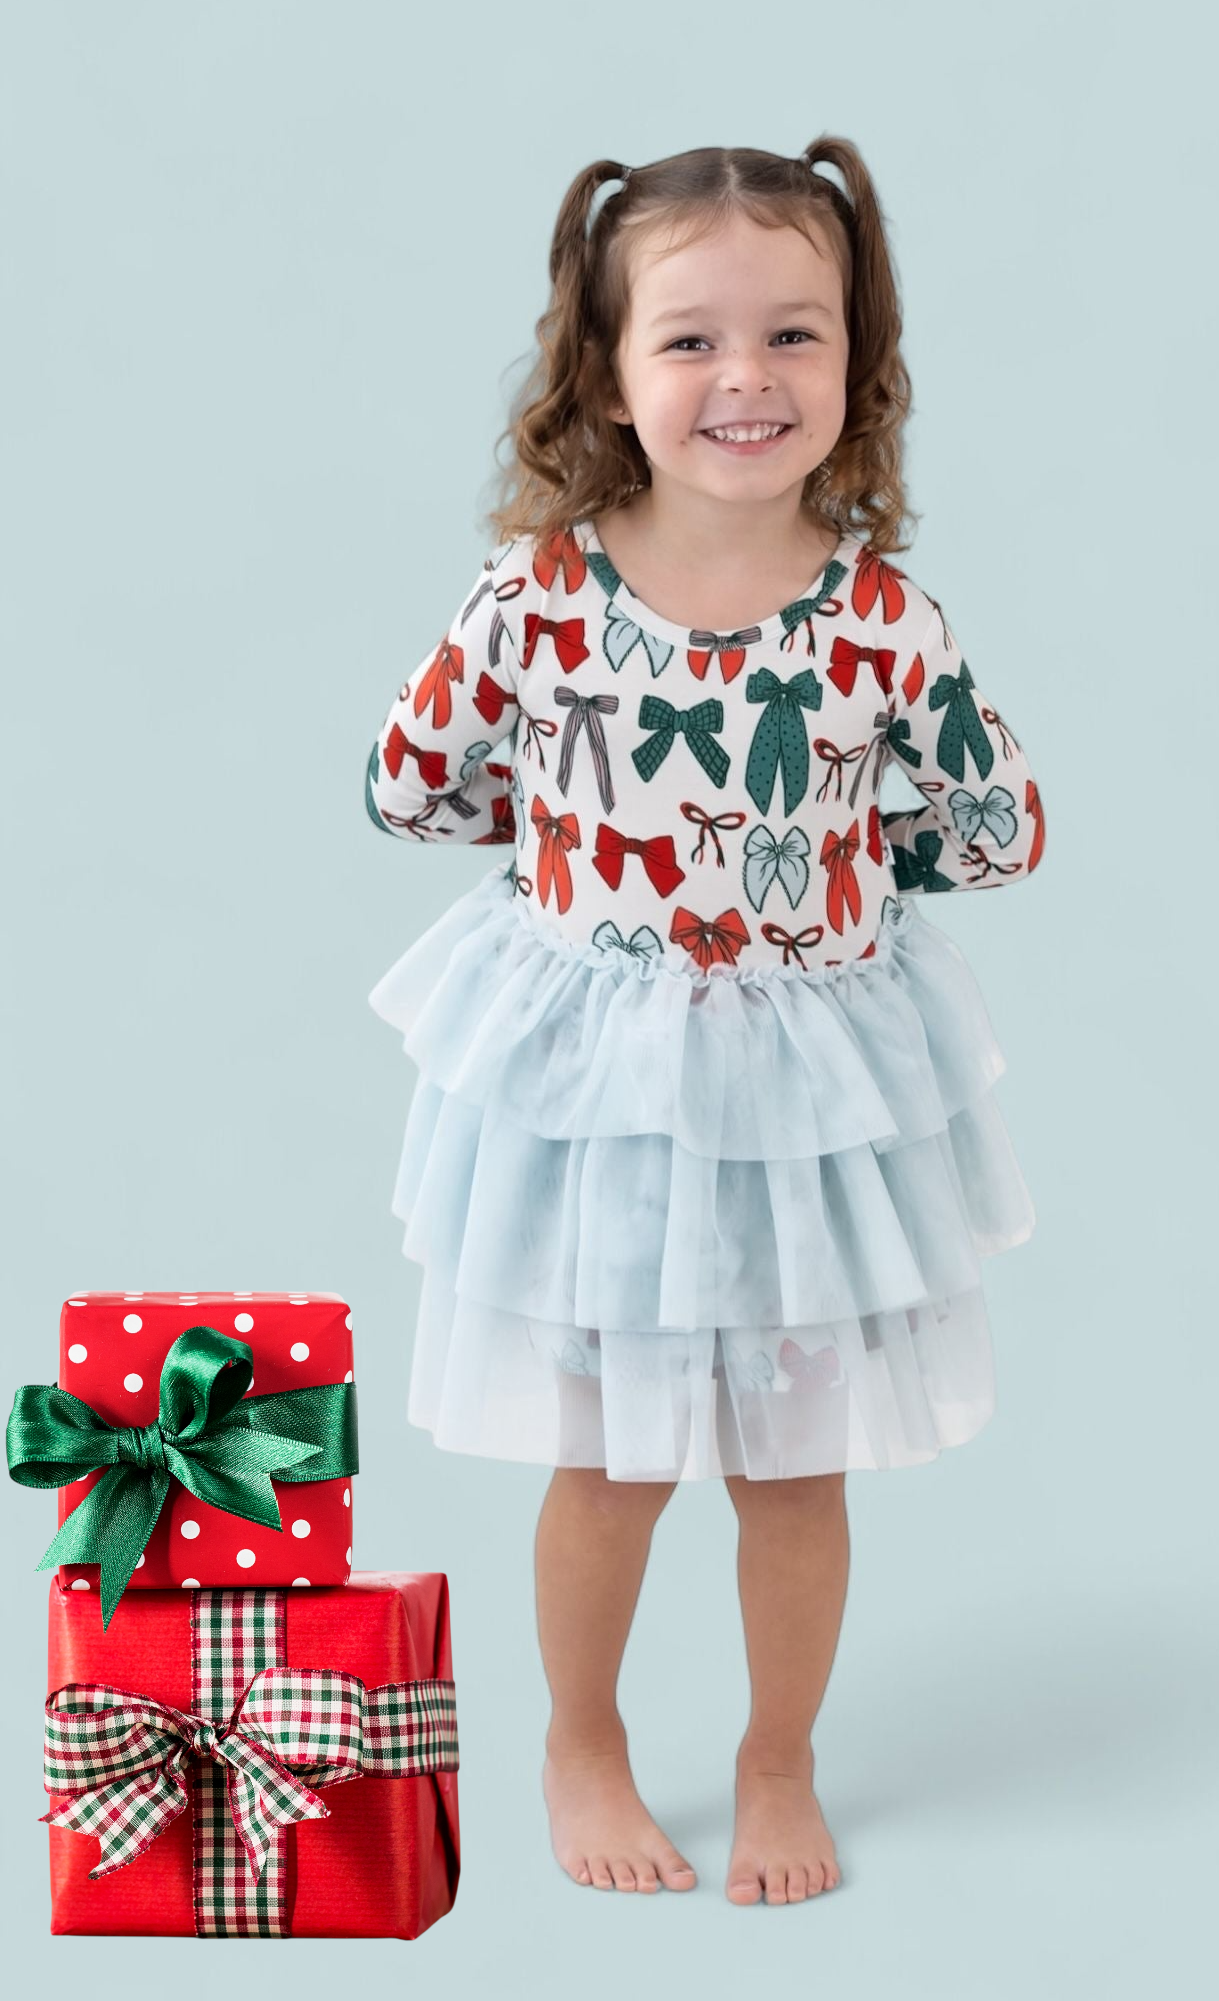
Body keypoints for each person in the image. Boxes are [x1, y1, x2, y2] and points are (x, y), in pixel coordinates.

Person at [364, 137, 1047, 1908]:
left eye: (794, 333)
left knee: (795, 1470)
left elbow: (999, 828)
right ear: (605, 375)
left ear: (856, 361)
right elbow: (409, 784)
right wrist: (571, 856)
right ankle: (581, 1739)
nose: (747, 376)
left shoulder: (885, 623)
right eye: (689, 339)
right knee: (608, 1462)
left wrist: (850, 869)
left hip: (807, 1105)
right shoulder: (538, 594)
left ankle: (776, 1758)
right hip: (607, 1106)